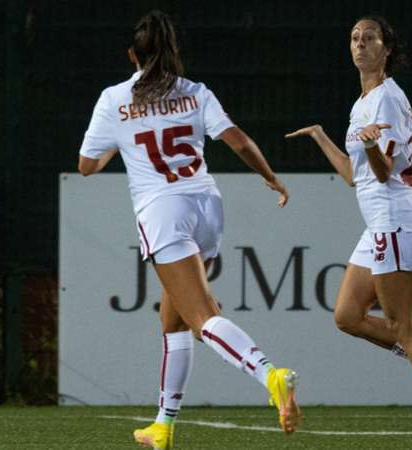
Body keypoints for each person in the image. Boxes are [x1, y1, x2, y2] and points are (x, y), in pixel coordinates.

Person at [77, 10, 300, 449]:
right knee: (173, 318)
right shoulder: (195, 92)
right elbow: (237, 139)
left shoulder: (115, 98)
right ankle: (163, 425)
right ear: (172, 52)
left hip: (163, 211)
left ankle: (270, 375)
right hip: (207, 208)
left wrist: (116, 149)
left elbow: (86, 166)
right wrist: (269, 175)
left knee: (202, 318)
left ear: (132, 55)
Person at [286, 15, 412, 443]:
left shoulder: (387, 98)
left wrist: (371, 145)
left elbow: (385, 171)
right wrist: (320, 137)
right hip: (378, 224)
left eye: (369, 38)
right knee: (347, 315)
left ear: (387, 48)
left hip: (396, 218)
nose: (360, 44)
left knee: (403, 324)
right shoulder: (363, 102)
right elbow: (356, 175)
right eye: (354, 37)